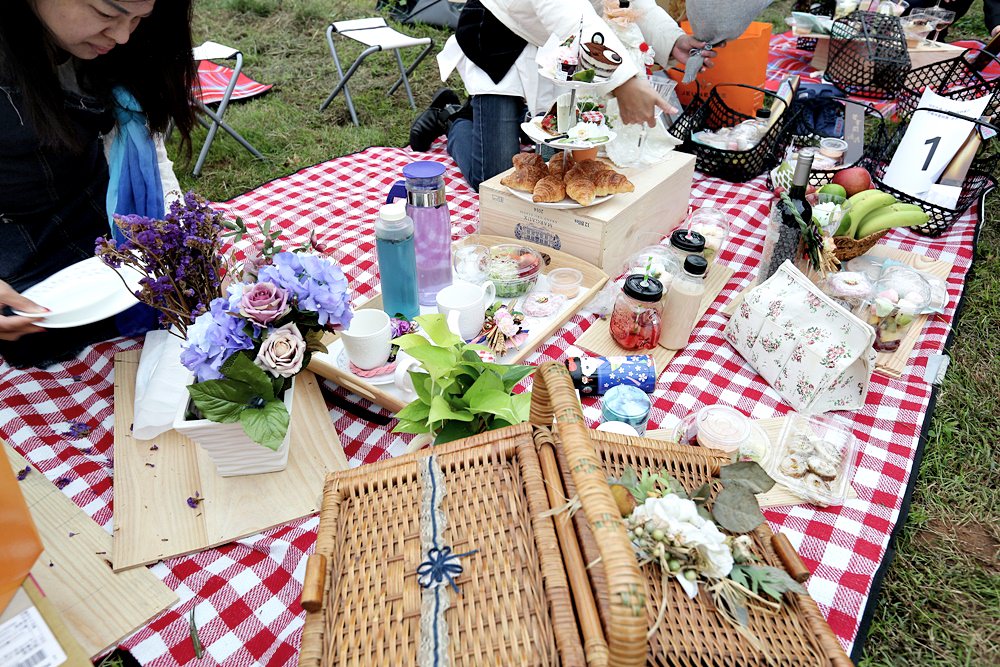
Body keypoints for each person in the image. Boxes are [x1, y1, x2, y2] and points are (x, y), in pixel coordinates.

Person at [0, 0, 196, 367]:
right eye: (107, 14)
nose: (122, 36)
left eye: (138, 19)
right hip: (15, 253)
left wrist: (170, 231)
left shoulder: (126, 42)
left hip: (104, 224)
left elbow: (147, 153)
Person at [410, 0, 716, 191]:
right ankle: (453, 118)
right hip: (500, 35)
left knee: (551, 167)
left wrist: (672, 39)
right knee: (493, 179)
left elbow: (635, 3)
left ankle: (484, 117)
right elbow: (571, 16)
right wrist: (624, 82)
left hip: (559, 45)